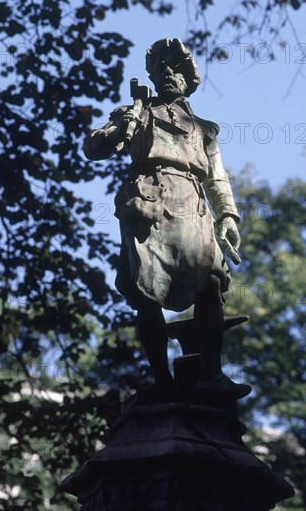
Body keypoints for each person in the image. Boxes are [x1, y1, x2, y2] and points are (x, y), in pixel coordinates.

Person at [84, 38, 247, 394]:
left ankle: (212, 374)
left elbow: (217, 176)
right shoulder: (137, 114)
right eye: (161, 69)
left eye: (176, 68)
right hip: (149, 203)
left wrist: (228, 216)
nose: (169, 74)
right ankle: (161, 379)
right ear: (153, 78)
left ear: (189, 79)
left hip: (193, 204)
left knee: (213, 281)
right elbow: (95, 149)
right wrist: (127, 118)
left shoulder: (205, 129)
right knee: (145, 288)